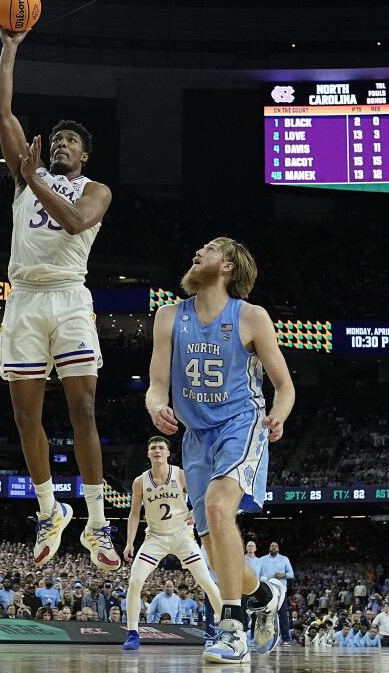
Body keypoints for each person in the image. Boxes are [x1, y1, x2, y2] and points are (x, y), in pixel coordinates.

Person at [0, 23, 118, 572]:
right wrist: (9, 49)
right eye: (56, 139)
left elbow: (71, 222)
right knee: (25, 418)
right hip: (23, 299)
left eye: (71, 142)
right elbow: (1, 113)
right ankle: (49, 511)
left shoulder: (94, 190)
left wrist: (33, 177)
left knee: (83, 407)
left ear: (83, 156)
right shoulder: (25, 177)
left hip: (68, 296)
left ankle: (97, 522)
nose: (60, 143)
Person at [145, 238, 294, 665]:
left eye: (208, 249)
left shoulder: (251, 316)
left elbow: (284, 386)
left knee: (217, 505)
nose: (197, 251)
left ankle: (232, 626)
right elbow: (157, 382)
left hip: (241, 424)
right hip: (195, 436)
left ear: (227, 266)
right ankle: (266, 596)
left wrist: (279, 415)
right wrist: (156, 405)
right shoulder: (169, 316)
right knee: (214, 550)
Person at [120, 436, 224, 650]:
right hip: (155, 538)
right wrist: (129, 543)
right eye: (153, 448)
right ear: (148, 454)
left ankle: (229, 629)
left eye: (160, 447)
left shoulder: (180, 475)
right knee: (134, 581)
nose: (157, 450)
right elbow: (133, 514)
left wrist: (195, 513)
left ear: (167, 453)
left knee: (205, 580)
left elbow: (201, 496)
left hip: (182, 536)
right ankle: (132, 633)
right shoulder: (140, 481)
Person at [257, 541, 296, 644]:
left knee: (283, 615)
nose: (274, 547)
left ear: (278, 548)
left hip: (280, 591)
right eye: (272, 546)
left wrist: (283, 575)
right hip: (267, 591)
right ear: (269, 548)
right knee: (265, 615)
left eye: (276, 546)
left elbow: (291, 574)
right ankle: (265, 639)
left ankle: (286, 639)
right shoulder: (262, 559)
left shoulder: (284, 559)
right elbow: (258, 575)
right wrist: (265, 579)